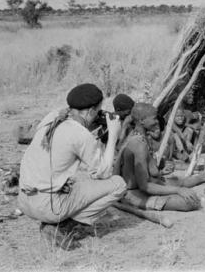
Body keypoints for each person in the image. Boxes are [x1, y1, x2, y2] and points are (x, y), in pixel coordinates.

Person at [18, 83, 127, 250]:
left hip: (25, 200)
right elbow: (104, 173)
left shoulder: (53, 117)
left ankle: (56, 223)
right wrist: (113, 136)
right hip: (48, 207)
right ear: (91, 111)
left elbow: (65, 144)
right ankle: (61, 228)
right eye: (97, 112)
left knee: (77, 179)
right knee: (118, 184)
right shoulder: (81, 135)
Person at [116, 103, 205, 212]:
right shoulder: (138, 144)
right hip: (134, 193)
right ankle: (199, 179)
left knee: (179, 181)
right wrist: (178, 190)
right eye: (154, 119)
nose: (157, 121)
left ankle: (203, 177)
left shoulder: (143, 137)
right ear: (142, 120)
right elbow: (144, 186)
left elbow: (148, 171)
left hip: (148, 184)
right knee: (191, 202)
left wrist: (161, 173)